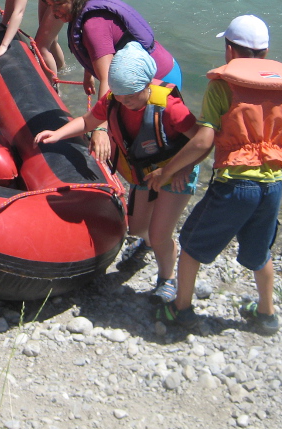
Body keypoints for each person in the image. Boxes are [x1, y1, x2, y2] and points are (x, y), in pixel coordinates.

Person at [147, 16, 282, 335]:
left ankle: (182, 309)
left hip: (236, 185)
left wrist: (167, 170)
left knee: (191, 245)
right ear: (265, 52)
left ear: (231, 50)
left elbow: (203, 142)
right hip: (272, 185)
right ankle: (266, 315)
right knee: (260, 251)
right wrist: (268, 165)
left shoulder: (222, 86)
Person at [35, 42, 199, 302]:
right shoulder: (116, 99)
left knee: (160, 234)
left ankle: (167, 278)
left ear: (147, 85)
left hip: (176, 172)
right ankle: (148, 243)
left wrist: (181, 169)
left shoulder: (170, 107)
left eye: (131, 96)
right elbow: (88, 121)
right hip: (146, 171)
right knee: (136, 227)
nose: (125, 101)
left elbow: (201, 140)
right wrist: (57, 134)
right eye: (120, 96)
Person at [42, 0, 183, 162]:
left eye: (59, 3)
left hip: (157, 79)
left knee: (153, 140)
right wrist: (88, 74)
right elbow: (100, 51)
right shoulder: (86, 6)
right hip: (163, 65)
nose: (54, 11)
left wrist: (101, 128)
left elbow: (108, 78)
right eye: (50, 5)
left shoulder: (93, 25)